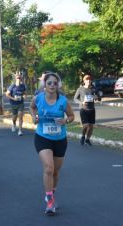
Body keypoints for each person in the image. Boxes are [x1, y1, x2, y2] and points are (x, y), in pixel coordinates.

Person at [29, 72, 74, 215]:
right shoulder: (38, 98)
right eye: (49, 83)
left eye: (55, 83)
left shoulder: (63, 101)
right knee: (48, 168)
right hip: (42, 137)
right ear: (44, 85)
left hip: (60, 139)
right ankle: (49, 202)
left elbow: (72, 116)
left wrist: (65, 120)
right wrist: (34, 117)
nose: (52, 85)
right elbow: (32, 108)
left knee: (55, 171)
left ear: (58, 85)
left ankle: (52, 193)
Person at [73, 74, 97, 146]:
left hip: (92, 109)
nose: (89, 81)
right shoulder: (80, 89)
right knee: (86, 125)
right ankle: (83, 136)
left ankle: (87, 139)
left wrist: (96, 97)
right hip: (83, 109)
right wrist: (81, 102)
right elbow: (75, 99)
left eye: (90, 79)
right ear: (84, 81)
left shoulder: (93, 89)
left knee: (91, 126)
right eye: (87, 79)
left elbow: (98, 97)